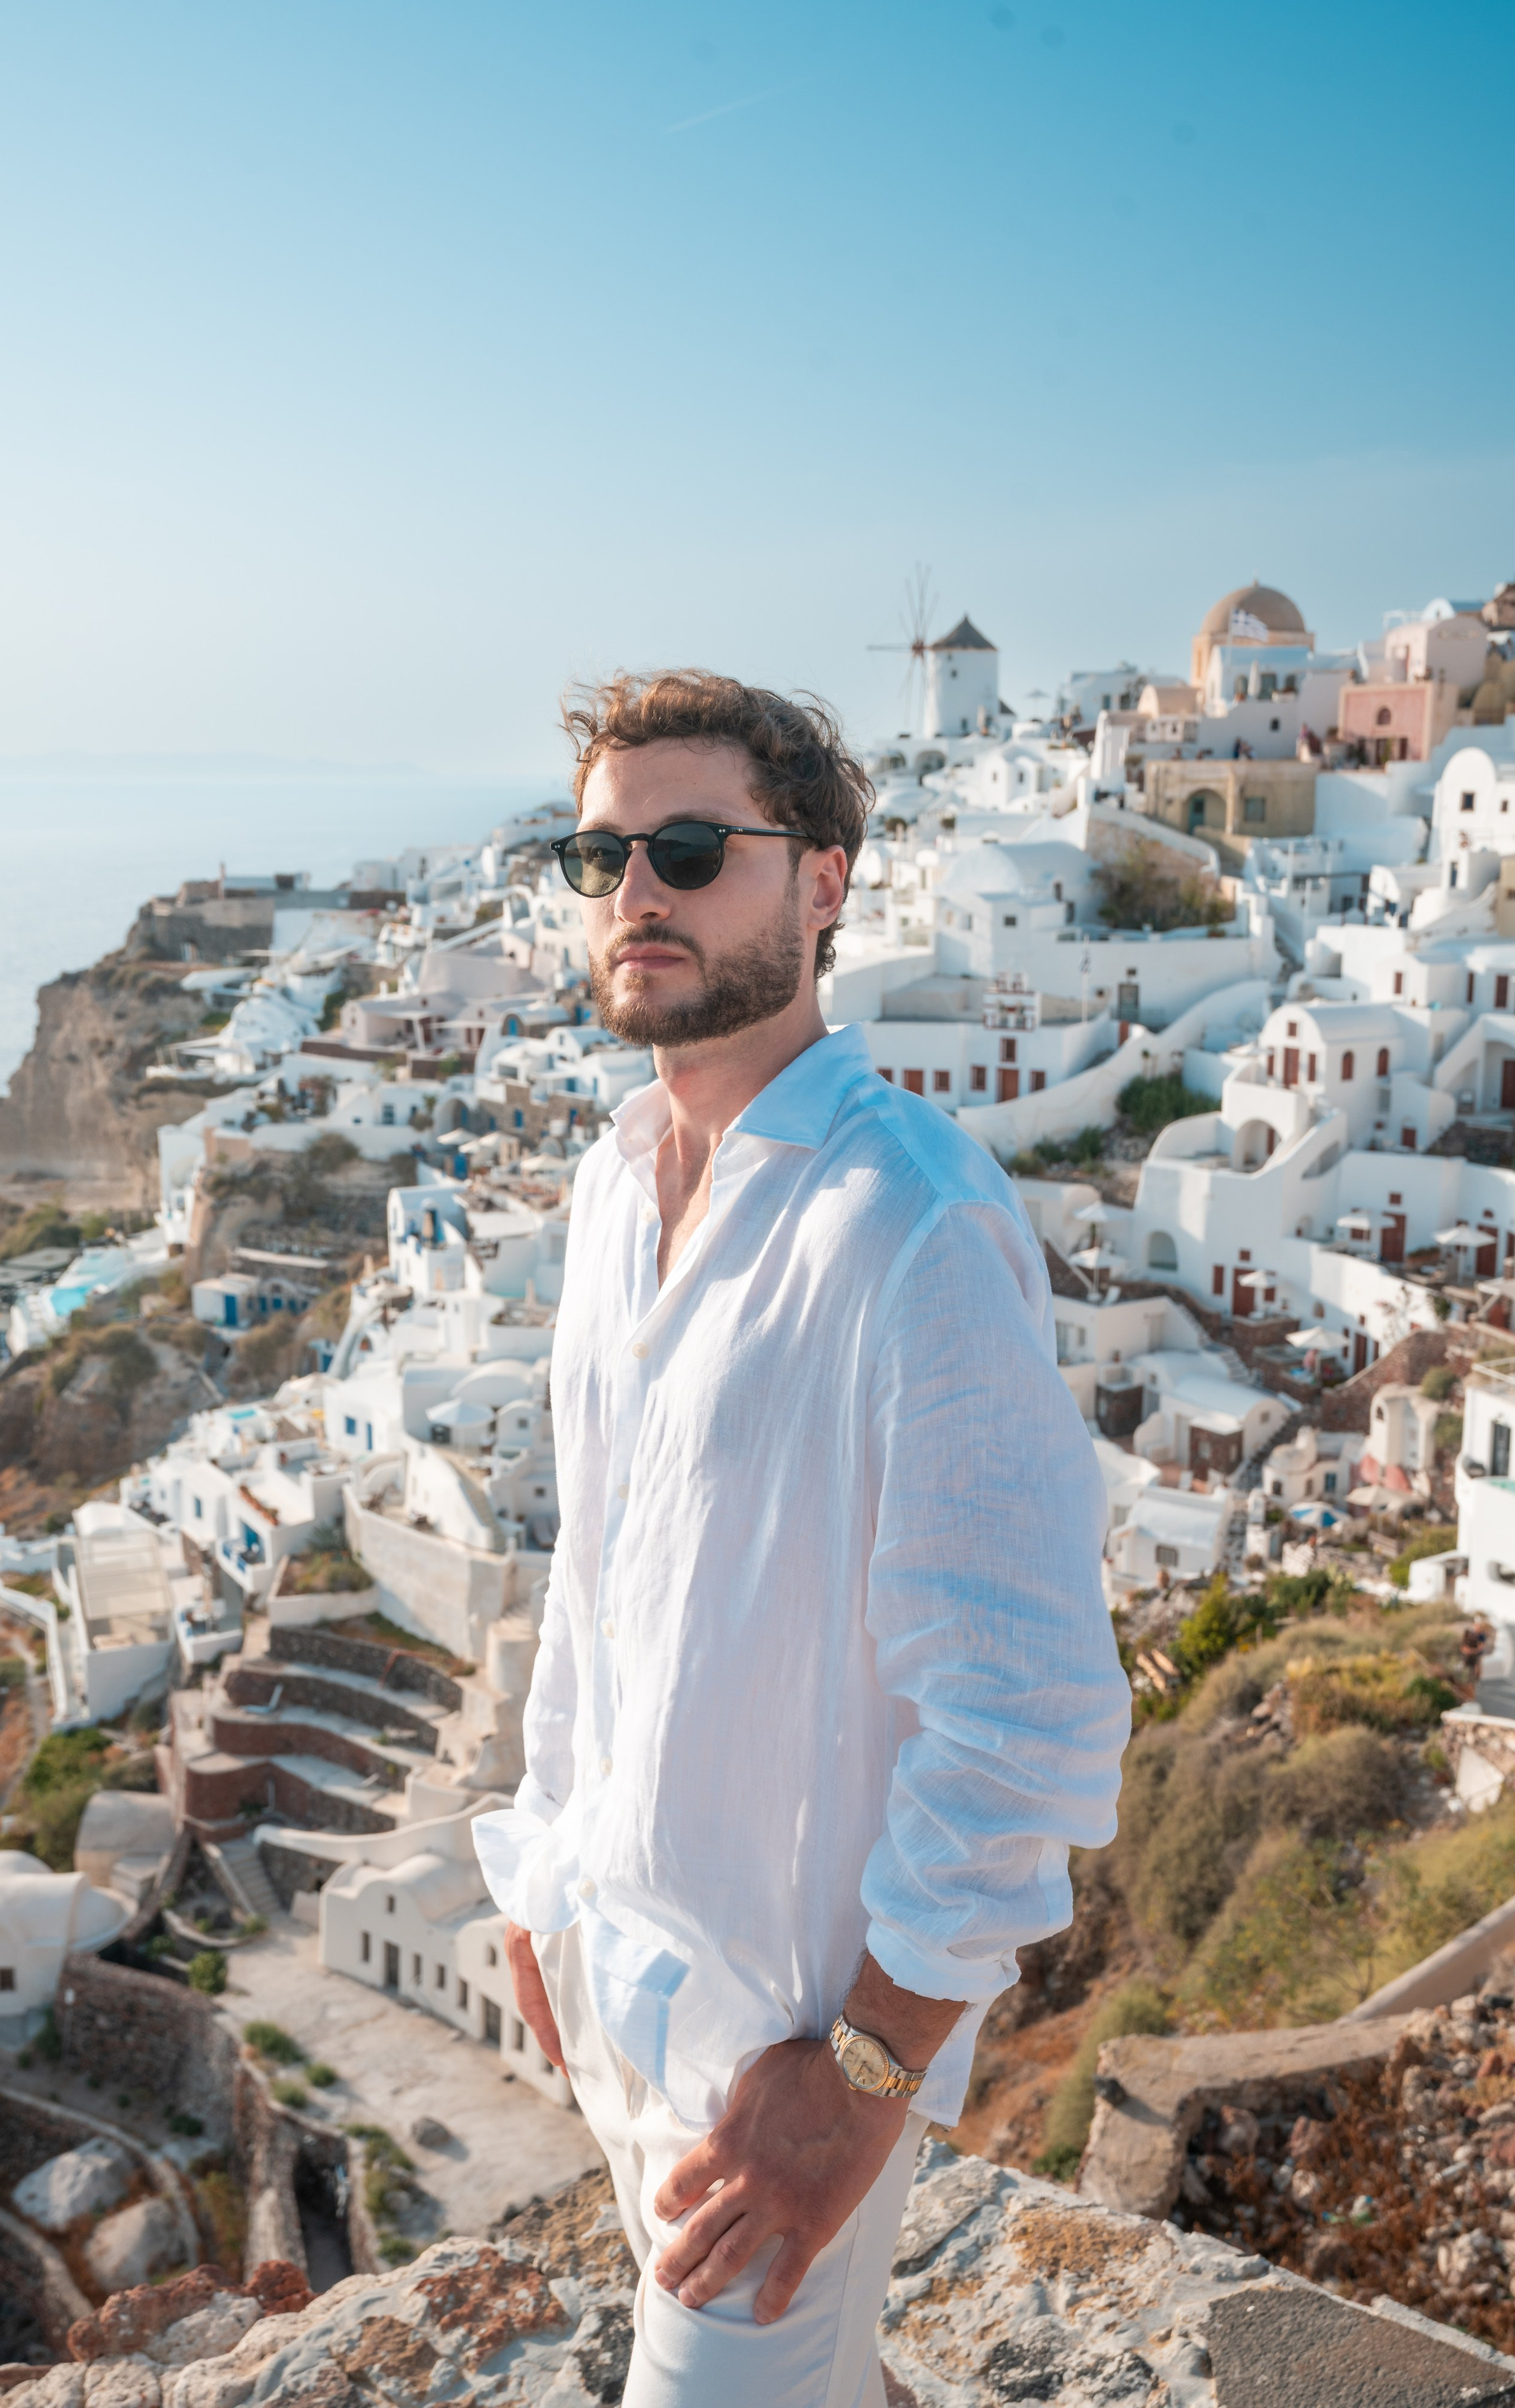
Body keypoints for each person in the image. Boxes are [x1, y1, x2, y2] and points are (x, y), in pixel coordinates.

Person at [472, 670, 1130, 2408]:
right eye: (599, 854)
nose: (637, 893)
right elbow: (599, 1577)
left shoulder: (906, 1222)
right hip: (623, 1982)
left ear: (822, 884)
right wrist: (545, 1866)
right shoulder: (620, 1184)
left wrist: (860, 2074)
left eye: (690, 847)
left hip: (781, 2035)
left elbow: (1036, 1712)